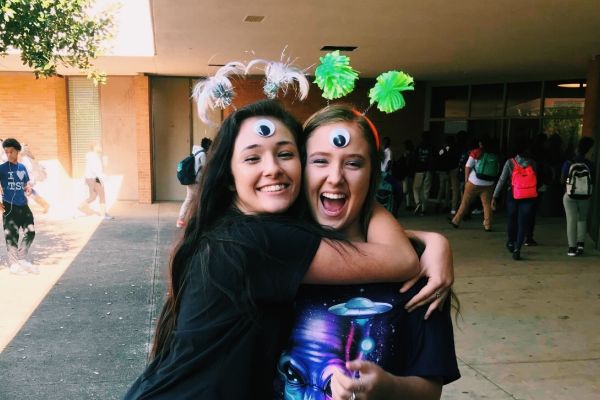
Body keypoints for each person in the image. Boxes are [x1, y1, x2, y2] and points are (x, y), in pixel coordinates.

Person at [123, 100, 429, 399]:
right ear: (230, 177)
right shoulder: (258, 241)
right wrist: (361, 188)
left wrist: (422, 236)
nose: (273, 169)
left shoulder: (230, 233)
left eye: (285, 154)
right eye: (253, 158)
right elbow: (401, 260)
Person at [275, 105, 459, 400]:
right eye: (320, 161)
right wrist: (433, 238)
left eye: (354, 164)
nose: (335, 177)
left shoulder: (421, 273)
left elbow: (429, 389)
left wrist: (388, 388)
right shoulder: (274, 258)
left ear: (373, 174)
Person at [492, 137, 538, 260]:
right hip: (528, 196)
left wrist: (495, 196)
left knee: (512, 219)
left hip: (513, 194)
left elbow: (502, 180)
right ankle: (518, 248)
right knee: (522, 222)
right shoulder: (533, 163)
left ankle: (511, 242)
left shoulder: (510, 162)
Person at [0, 138, 38, 275]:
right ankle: (14, 264)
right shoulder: (2, 169)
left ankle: (21, 259)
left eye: (11, 152)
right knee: (12, 235)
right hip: (9, 205)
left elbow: (24, 182)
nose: (9, 154)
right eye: (6, 152)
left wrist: (27, 188)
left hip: (23, 205)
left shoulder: (21, 167)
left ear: (17, 152)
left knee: (31, 231)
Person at [449, 137, 498, 231]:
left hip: (474, 182)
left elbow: (467, 166)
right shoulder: (495, 154)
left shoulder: (476, 152)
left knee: (465, 202)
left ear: (481, 144)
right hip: (489, 183)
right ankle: (488, 225)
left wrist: (466, 180)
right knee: (486, 205)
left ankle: (456, 221)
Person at [561, 137, 595, 256]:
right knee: (582, 219)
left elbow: (562, 179)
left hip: (570, 195)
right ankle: (581, 245)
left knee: (571, 220)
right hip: (585, 195)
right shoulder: (590, 164)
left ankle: (572, 248)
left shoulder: (569, 162)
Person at [176, 137, 211, 228]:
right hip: (196, 183)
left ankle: (180, 220)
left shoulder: (196, 151)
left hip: (191, 181)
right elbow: (205, 168)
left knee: (188, 200)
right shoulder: (202, 154)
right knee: (200, 200)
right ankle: (197, 221)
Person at [78, 142, 113, 220]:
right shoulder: (92, 156)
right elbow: (95, 170)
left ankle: (79, 208)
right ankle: (103, 214)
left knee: (93, 197)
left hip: (91, 178)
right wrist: (104, 177)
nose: (101, 147)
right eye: (99, 146)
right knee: (102, 195)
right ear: (94, 147)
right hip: (94, 178)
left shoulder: (94, 156)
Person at [19, 144, 50, 213]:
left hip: (27, 180)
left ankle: (45, 204)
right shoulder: (26, 158)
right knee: (30, 193)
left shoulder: (25, 159)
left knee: (28, 193)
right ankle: (45, 204)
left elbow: (27, 170)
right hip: (28, 180)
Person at [412, 131, 434, 215]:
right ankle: (424, 209)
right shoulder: (432, 147)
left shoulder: (418, 147)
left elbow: (414, 158)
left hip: (419, 171)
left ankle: (418, 203)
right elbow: (435, 157)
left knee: (416, 188)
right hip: (428, 171)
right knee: (425, 191)